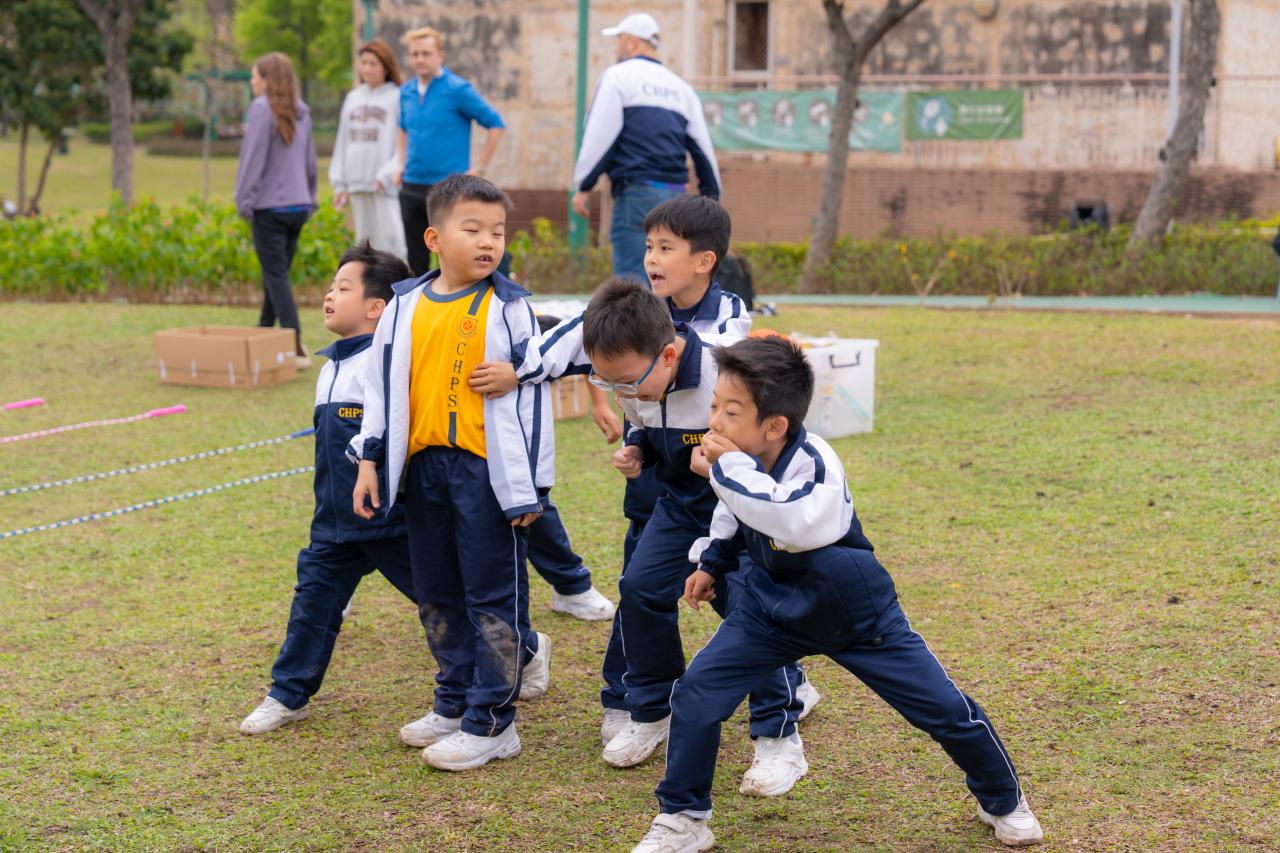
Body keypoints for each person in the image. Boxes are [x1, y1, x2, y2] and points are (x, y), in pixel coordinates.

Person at [629, 336, 1045, 852]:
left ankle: (1003, 799)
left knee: (943, 710)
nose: (714, 422)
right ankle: (683, 817)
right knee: (696, 695)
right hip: (769, 608)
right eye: (714, 406)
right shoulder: (742, 461)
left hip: (852, 613)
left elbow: (789, 520)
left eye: (730, 412)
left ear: (775, 425)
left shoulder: (815, 463)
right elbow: (736, 510)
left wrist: (724, 469)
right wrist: (712, 562)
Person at [470, 200, 817, 767]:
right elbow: (591, 349)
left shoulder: (723, 363)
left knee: (748, 607)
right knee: (639, 589)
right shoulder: (640, 338)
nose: (652, 258)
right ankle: (651, 708)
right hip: (676, 499)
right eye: (649, 247)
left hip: (737, 503)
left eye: (666, 248)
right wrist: (634, 438)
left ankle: (778, 734)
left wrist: (732, 462)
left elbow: (775, 433)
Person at [348, 175, 551, 772]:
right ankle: (454, 699)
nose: (489, 242)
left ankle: (492, 722)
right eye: (473, 229)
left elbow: (534, 400)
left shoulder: (509, 307)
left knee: (491, 595)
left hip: (486, 474)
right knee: (437, 591)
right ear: (434, 238)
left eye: (498, 232)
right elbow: (380, 389)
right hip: (422, 470)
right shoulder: (404, 305)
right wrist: (369, 459)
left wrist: (532, 487)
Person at [239, 242, 417, 736]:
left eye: (343, 288)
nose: (328, 296)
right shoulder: (329, 367)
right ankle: (287, 694)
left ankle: (524, 650)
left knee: (441, 602)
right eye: (330, 287)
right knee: (313, 604)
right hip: (334, 522)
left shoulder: (387, 366)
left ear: (376, 308)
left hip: (387, 520)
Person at [572, 12, 721, 284]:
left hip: (636, 195)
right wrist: (712, 198)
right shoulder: (681, 89)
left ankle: (637, 315)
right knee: (669, 281)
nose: (616, 48)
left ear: (631, 43)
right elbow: (703, 150)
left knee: (634, 284)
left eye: (619, 40)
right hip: (676, 198)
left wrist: (583, 185)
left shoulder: (617, 77)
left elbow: (600, 136)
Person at [393, 27, 505, 276]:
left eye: (426, 53)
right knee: (416, 258)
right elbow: (402, 128)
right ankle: (419, 300)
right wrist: (399, 163)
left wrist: (479, 168)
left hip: (447, 190)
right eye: (415, 54)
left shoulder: (458, 89)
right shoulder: (406, 92)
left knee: (453, 254)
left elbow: (495, 124)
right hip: (411, 185)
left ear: (440, 56)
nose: (420, 59)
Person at [234, 52, 317, 369]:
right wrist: (310, 197)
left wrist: (243, 200)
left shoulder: (260, 108)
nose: (252, 81)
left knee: (275, 275)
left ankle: (294, 343)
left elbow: (252, 160)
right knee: (276, 274)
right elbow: (310, 162)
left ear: (267, 80)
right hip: (298, 206)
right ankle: (264, 329)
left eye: (255, 75)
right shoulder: (302, 111)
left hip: (269, 207)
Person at [329, 40, 409, 263]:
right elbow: (343, 140)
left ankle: (400, 283)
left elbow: (405, 140)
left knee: (393, 242)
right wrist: (340, 183)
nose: (366, 68)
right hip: (357, 182)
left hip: (385, 184)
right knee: (365, 246)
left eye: (373, 63)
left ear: (386, 67)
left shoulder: (398, 96)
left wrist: (388, 172)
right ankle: (371, 284)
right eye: (363, 63)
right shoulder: (353, 98)